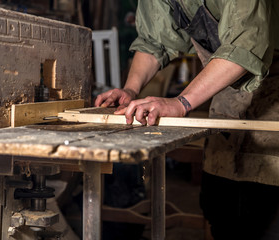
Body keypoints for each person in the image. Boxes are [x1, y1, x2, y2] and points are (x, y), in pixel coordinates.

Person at [95, 0, 279, 239]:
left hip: (274, 101)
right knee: (224, 209)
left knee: (268, 216)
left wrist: (181, 102)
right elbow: (154, 41)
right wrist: (130, 90)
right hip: (227, 102)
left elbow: (246, 43)